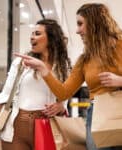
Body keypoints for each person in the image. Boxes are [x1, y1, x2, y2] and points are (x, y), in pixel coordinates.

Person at [19, 3, 122, 150]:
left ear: (94, 23)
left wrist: (120, 80)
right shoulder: (84, 60)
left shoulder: (120, 45)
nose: (77, 30)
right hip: (98, 116)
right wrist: (42, 68)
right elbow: (63, 92)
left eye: (80, 24)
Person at [0, 19, 71, 150]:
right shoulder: (21, 62)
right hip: (17, 127)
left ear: (52, 38)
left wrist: (61, 107)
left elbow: (64, 97)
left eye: (37, 33)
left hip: (48, 126)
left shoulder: (63, 67)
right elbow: (5, 95)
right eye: (32, 33)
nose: (31, 37)